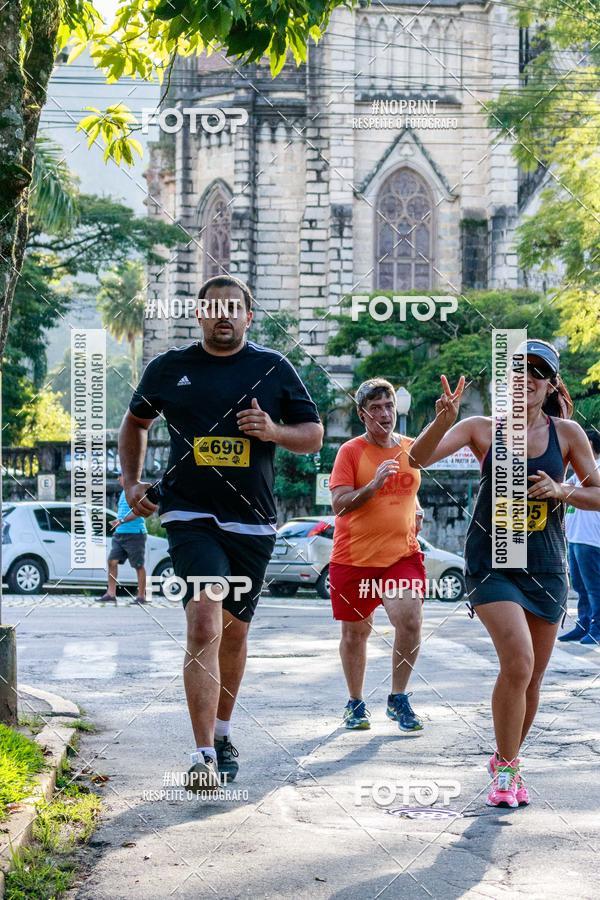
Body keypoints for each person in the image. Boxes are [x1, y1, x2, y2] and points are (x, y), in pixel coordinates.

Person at [119, 275, 323, 791]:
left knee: (234, 634)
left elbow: (314, 435)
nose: (224, 316)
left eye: (234, 308)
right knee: (205, 622)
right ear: (199, 314)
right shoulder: (169, 368)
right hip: (188, 515)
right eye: (214, 308)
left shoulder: (273, 368)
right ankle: (202, 753)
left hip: (252, 522)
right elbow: (135, 423)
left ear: (249, 316)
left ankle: (224, 731)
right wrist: (130, 482)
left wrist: (273, 431)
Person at [410, 340, 600, 809]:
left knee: (531, 679)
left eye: (539, 372)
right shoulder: (482, 429)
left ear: (551, 383)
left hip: (548, 567)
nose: (528, 378)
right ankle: (508, 773)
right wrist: (442, 420)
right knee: (518, 663)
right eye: (519, 371)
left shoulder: (568, 434)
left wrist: (562, 490)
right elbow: (416, 460)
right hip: (493, 563)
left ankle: (505, 758)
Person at [329, 378, 426, 734]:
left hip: (401, 554)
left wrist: (417, 507)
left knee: (410, 620)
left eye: (389, 406)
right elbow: (339, 505)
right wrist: (372, 487)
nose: (385, 414)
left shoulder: (411, 448)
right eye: (376, 409)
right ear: (362, 415)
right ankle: (355, 703)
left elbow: (411, 489)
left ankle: (398, 697)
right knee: (356, 634)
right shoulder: (350, 452)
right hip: (353, 558)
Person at [560, 428, 600, 644]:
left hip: (592, 540)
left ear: (590, 446)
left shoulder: (597, 472)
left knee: (595, 587)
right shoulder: (577, 474)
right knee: (580, 586)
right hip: (575, 539)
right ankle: (584, 623)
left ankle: (598, 627)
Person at [97, 473, 148, 604]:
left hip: (135, 533)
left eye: (120, 476)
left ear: (127, 477)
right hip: (120, 533)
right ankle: (111, 594)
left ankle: (141, 596)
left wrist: (121, 520)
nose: (118, 479)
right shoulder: (123, 492)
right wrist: (118, 522)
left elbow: (138, 511)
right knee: (112, 561)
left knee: (138, 565)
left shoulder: (137, 491)